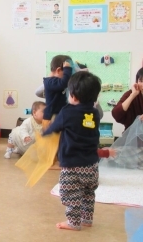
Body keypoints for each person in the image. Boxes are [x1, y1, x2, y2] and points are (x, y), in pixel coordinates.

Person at [42, 71, 104, 231]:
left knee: (70, 193)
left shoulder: (67, 112)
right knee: (88, 193)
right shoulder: (95, 113)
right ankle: (87, 219)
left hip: (72, 165)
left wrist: (45, 133)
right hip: (91, 165)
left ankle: (74, 222)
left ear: (74, 96)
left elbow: (54, 128)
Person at [35, 61, 104, 119]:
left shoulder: (88, 95)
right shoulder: (61, 91)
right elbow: (38, 92)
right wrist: (53, 78)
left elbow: (100, 115)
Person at [43, 54, 72, 131]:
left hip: (58, 114)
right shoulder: (50, 81)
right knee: (53, 140)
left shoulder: (54, 82)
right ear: (58, 70)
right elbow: (65, 83)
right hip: (52, 116)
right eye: (66, 73)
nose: (69, 76)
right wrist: (67, 69)